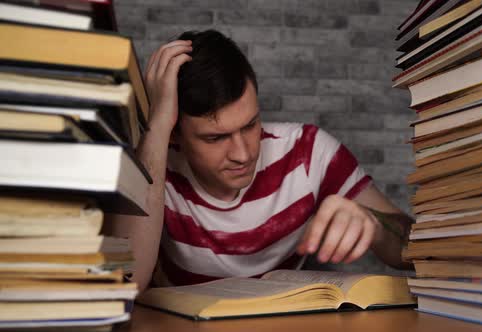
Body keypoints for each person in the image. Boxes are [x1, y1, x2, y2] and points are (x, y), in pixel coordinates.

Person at [110, 30, 413, 292]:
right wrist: (158, 123)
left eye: (251, 124)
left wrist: (375, 222)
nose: (243, 154)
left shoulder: (308, 153)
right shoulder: (156, 163)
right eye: (215, 138)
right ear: (175, 135)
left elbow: (410, 252)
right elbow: (128, 281)